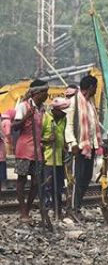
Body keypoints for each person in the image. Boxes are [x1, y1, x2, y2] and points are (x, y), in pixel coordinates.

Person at [62, 75, 101, 219]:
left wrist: (96, 143)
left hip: (89, 147)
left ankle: (77, 206)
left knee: (86, 177)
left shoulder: (90, 103)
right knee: (76, 179)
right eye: (95, 87)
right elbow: (69, 125)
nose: (96, 90)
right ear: (91, 87)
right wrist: (72, 143)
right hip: (78, 148)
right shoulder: (74, 102)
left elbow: (92, 126)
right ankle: (72, 209)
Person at [11, 80, 50, 222]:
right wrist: (26, 117)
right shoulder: (24, 106)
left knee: (36, 182)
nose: (47, 95)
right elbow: (15, 126)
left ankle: (28, 209)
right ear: (37, 93)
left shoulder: (42, 109)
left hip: (37, 150)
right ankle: (23, 212)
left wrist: (46, 140)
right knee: (22, 180)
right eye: (45, 92)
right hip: (24, 149)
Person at [41, 96, 70, 220]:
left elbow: (63, 134)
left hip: (59, 158)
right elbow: (37, 138)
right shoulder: (45, 118)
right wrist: (47, 139)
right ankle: (46, 211)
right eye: (61, 111)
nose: (64, 113)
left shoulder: (63, 119)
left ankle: (58, 210)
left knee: (58, 187)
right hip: (47, 158)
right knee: (47, 186)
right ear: (55, 110)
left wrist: (65, 145)